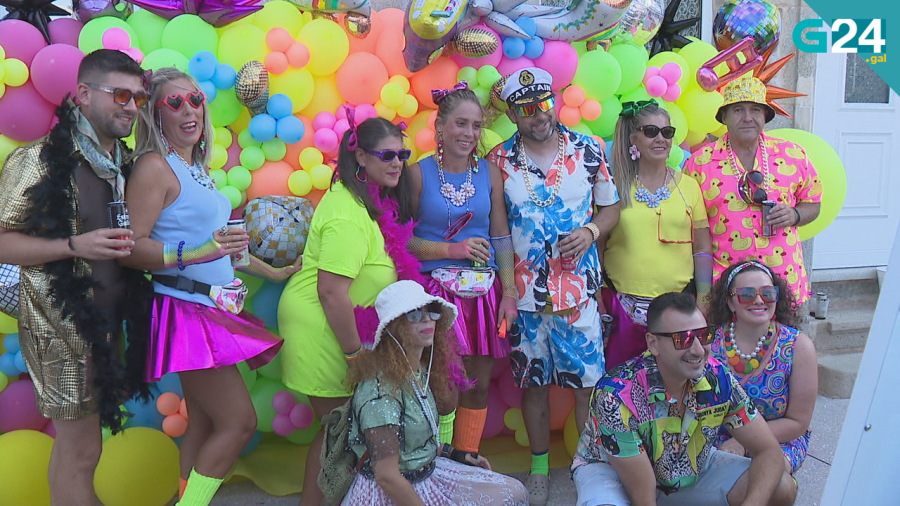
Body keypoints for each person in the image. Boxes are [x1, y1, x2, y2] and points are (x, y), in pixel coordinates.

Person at [122, 68, 292, 506]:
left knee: (201, 423)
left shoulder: (196, 168)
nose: (190, 109)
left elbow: (222, 247)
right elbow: (131, 248)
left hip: (212, 309)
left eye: (195, 100)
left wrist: (274, 273)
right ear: (155, 115)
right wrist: (197, 252)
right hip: (185, 310)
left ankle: (185, 498)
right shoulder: (154, 167)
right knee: (239, 423)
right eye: (174, 103)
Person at [0, 49, 154, 506]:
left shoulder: (123, 165)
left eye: (139, 98)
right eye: (120, 94)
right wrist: (72, 246)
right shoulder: (40, 159)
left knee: (82, 449)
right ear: (84, 94)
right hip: (60, 327)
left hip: (106, 326)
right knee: (82, 451)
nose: (130, 106)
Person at [488, 67, 620, 505]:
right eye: (526, 109)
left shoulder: (588, 148)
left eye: (543, 104)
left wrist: (593, 233)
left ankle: (591, 471)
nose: (538, 115)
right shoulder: (498, 160)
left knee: (587, 388)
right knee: (534, 386)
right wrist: (508, 289)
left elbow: (611, 209)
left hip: (578, 295)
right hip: (526, 299)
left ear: (554, 102)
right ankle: (541, 470)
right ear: (512, 113)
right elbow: (501, 234)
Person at [278, 116, 417, 506]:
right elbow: (332, 293)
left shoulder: (361, 201)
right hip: (325, 328)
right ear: (360, 157)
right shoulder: (346, 213)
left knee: (338, 435)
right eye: (387, 155)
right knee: (338, 434)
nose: (397, 163)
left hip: (334, 325)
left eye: (402, 154)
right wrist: (357, 355)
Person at [572, 292, 797, 506]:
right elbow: (644, 497)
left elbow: (768, 451)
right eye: (684, 339)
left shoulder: (717, 377)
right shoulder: (616, 395)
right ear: (653, 344)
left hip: (685, 468)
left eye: (703, 336)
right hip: (614, 473)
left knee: (781, 486)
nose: (698, 350)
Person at [342, 280, 528, 506]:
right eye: (414, 315)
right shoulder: (380, 391)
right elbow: (386, 476)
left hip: (426, 473)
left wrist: (453, 454)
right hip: (390, 493)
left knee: (514, 493)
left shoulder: (418, 369)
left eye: (431, 312)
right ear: (393, 328)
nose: (427, 319)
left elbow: (414, 442)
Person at [406, 82, 518, 455]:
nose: (469, 134)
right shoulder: (417, 174)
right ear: (440, 126)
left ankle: (466, 456)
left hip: (483, 295)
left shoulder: (490, 173)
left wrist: (510, 292)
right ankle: (433, 459)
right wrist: (451, 248)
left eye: (475, 126)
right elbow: (401, 242)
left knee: (478, 385)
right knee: (442, 389)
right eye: (460, 124)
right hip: (434, 297)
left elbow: (500, 236)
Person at [684, 74, 822, 307]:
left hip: (782, 284)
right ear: (724, 117)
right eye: (738, 110)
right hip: (727, 291)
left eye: (755, 110)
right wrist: (702, 293)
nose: (748, 118)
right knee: (727, 345)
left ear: (765, 117)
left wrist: (795, 215)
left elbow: (814, 203)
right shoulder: (699, 164)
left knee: (784, 343)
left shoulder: (793, 155)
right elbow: (693, 233)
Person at [602, 99, 713, 370]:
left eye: (667, 132)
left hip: (679, 310)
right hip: (624, 311)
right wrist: (598, 298)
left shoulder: (690, 187)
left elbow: (702, 248)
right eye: (651, 132)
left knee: (677, 385)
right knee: (625, 387)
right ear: (634, 139)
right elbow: (598, 246)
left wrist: (704, 300)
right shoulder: (613, 186)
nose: (660, 139)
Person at [708, 261, 817, 474]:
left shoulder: (798, 346)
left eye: (767, 293)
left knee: (765, 477)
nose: (759, 300)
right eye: (747, 294)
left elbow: (798, 421)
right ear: (730, 303)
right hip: (716, 437)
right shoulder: (709, 343)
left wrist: (743, 442)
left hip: (779, 438)